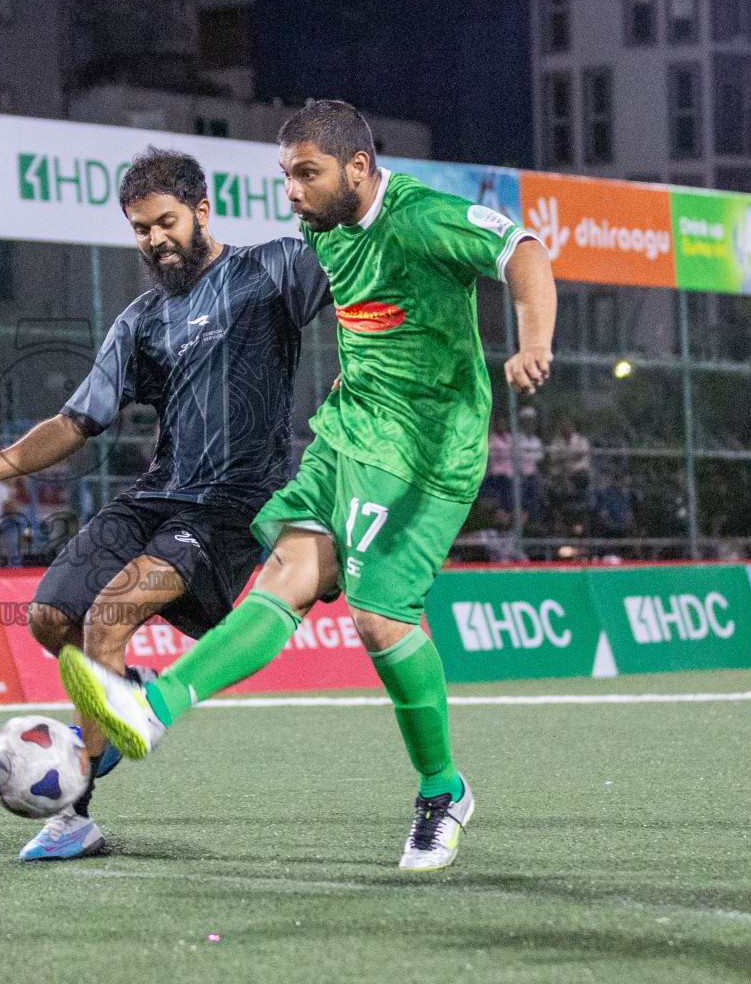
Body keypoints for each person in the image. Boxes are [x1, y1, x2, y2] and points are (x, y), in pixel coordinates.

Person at [58, 100, 556, 872]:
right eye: (286, 174)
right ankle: (150, 710)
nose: (291, 191)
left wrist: (533, 343)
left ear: (358, 167)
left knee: (378, 620)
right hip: (348, 430)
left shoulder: (421, 217)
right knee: (286, 577)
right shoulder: (324, 232)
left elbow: (523, 250)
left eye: (306, 173)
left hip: (426, 450)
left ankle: (442, 790)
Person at [0, 146, 331, 861]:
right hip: (158, 496)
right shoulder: (141, 320)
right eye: (141, 228)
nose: (154, 240)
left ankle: (74, 815)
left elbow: (362, 280)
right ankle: (121, 693)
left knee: (110, 614)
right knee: (51, 614)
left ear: (202, 210)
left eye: (165, 222)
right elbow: (75, 421)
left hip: (232, 509)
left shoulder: (271, 270)